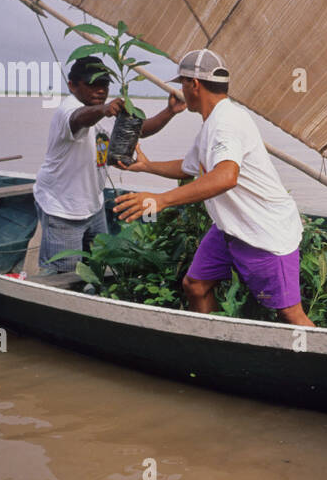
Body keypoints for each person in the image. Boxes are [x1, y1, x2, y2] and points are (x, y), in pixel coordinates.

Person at [113, 48, 313, 326]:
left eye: (182, 83)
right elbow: (189, 167)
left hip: (264, 231)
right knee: (195, 285)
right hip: (230, 228)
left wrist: (161, 200)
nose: (180, 89)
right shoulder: (212, 122)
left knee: (290, 313)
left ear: (193, 84)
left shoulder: (227, 123)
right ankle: (210, 341)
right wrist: (147, 166)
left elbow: (225, 177)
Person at [32, 56, 184, 273]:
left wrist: (169, 112)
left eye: (104, 84)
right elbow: (79, 118)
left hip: (93, 205)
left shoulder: (101, 110)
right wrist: (103, 109)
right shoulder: (69, 109)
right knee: (63, 273)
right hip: (62, 207)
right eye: (92, 84)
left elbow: (138, 130)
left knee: (101, 264)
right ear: (72, 85)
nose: (100, 90)